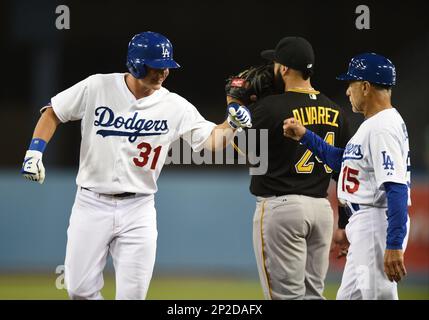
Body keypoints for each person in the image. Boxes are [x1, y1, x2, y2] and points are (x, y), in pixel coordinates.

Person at [20, 31, 252, 300]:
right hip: (91, 203)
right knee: (78, 290)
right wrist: (34, 152)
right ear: (136, 63)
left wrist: (231, 125)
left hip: (138, 208)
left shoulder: (175, 105)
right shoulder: (98, 87)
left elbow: (211, 141)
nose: (164, 73)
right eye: (157, 66)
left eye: (167, 67)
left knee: (133, 296)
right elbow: (53, 112)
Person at [227, 37, 351, 299]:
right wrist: (345, 223)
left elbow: (243, 149)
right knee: (313, 295)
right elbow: (345, 174)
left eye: (275, 64)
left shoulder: (271, 107)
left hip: (282, 209)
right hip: (321, 212)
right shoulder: (336, 111)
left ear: (284, 69)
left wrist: (236, 106)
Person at [283, 53, 411, 300]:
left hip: (375, 221)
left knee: (378, 296)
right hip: (365, 221)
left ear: (365, 86)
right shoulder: (375, 124)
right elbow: (343, 161)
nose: (347, 91)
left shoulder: (382, 127)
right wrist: (305, 135)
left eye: (351, 84)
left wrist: (394, 244)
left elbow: (396, 188)